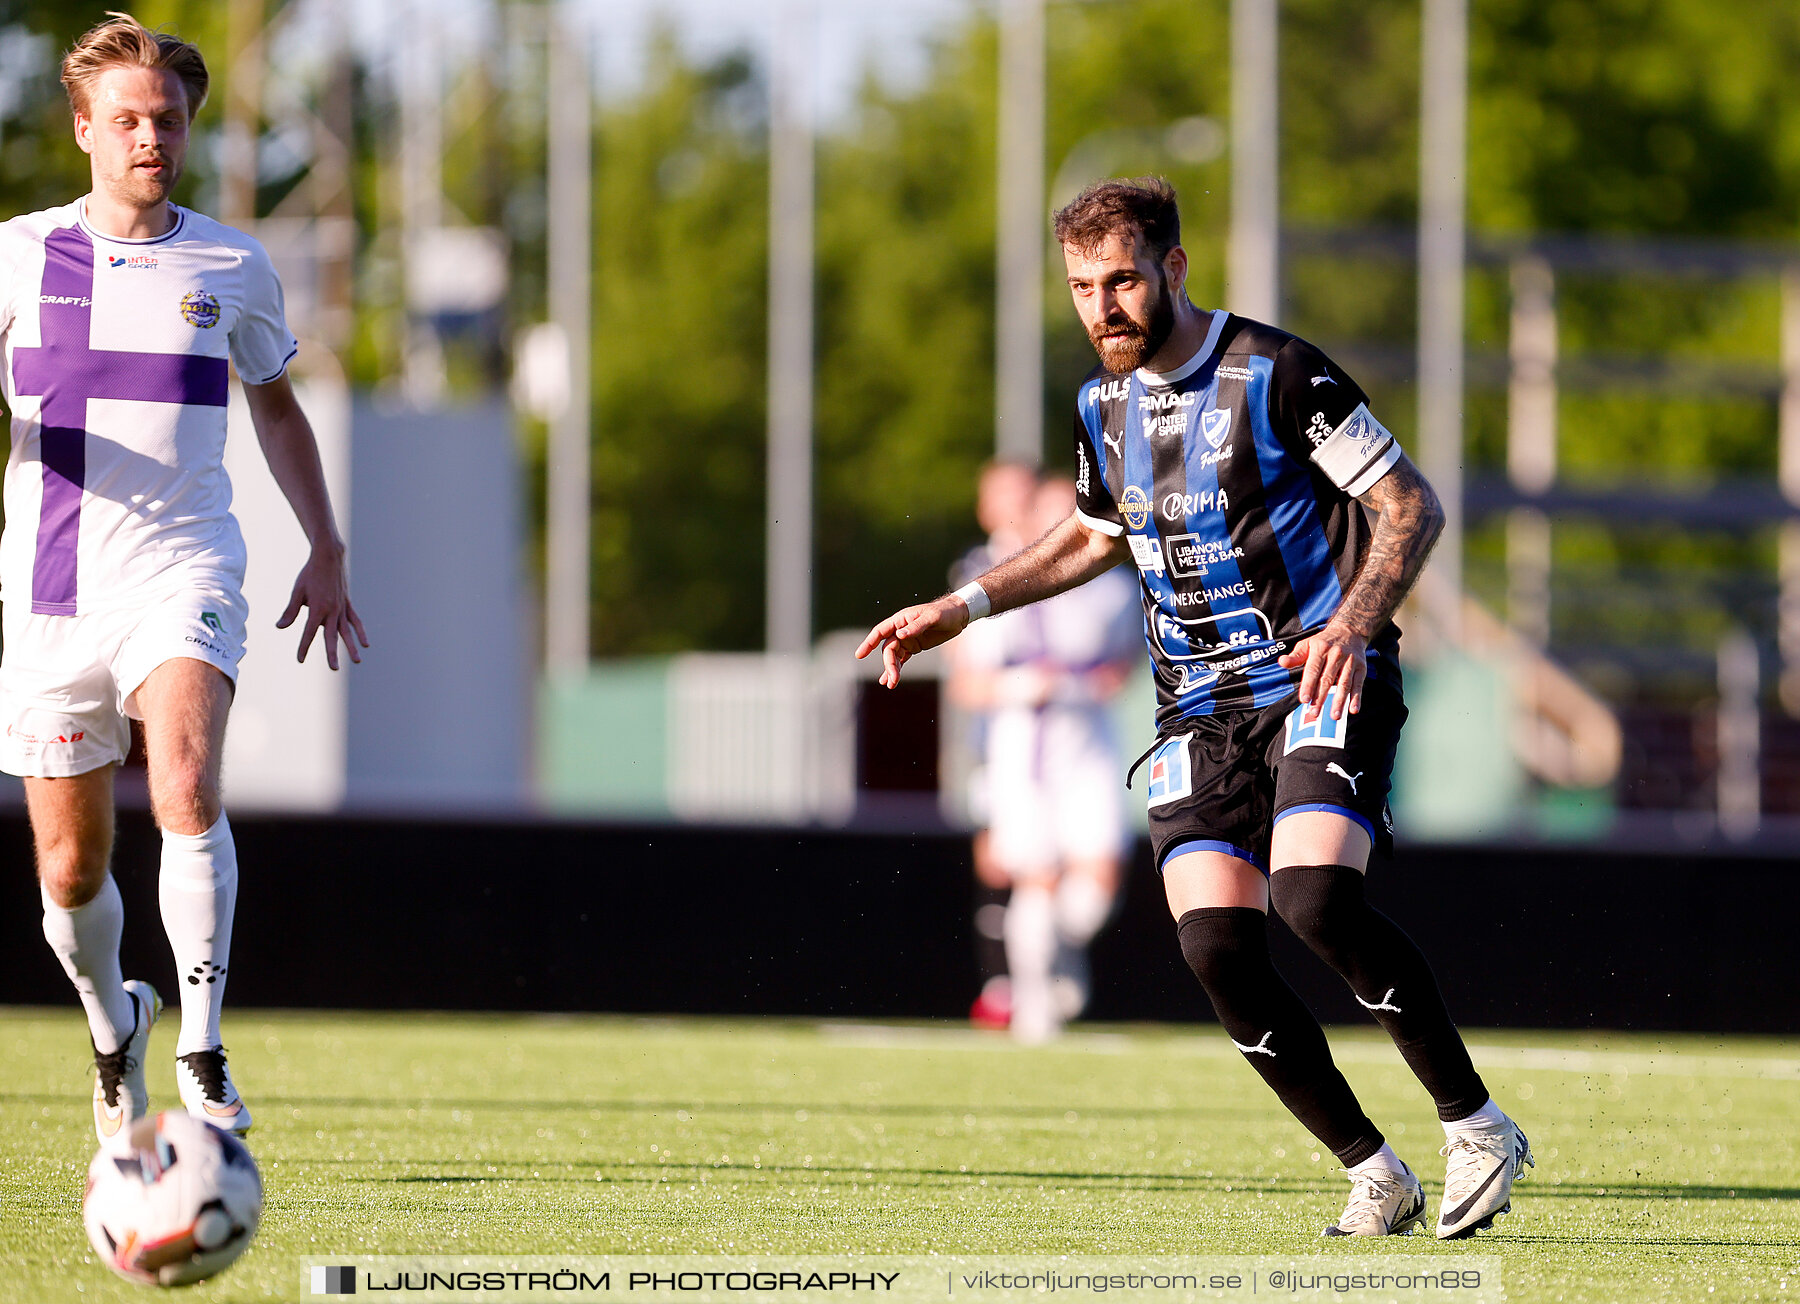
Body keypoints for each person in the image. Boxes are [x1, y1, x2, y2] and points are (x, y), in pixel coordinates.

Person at [858, 177, 1529, 1239]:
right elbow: (1090, 536)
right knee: (1215, 945)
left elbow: (1409, 502)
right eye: (1082, 285)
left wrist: (1354, 625)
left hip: (1319, 679)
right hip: (1196, 713)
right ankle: (1374, 1169)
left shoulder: (1277, 372)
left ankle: (1476, 1123)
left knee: (1312, 900)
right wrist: (964, 603)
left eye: (1122, 278)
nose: (1103, 305)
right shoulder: (1100, 406)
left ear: (1172, 268)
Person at [0, 14, 365, 1149]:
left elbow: (277, 405)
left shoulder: (232, 264)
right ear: (84, 130)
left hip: (184, 564)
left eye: (166, 118)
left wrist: (326, 542)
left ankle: (201, 1039)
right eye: (127, 120)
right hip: (52, 586)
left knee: (188, 775)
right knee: (68, 872)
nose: (149, 136)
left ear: (189, 127)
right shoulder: (17, 254)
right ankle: (119, 1029)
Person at [947, 475, 1138, 1042]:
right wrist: (1027, 685)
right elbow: (968, 684)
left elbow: (1122, 666)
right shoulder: (998, 584)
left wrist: (1089, 684)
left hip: (1088, 742)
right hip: (1021, 747)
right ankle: (1032, 1006)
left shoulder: (1116, 589)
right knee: (1034, 877)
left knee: (1098, 882)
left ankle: (1063, 950)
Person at [948, 460, 1039, 1029]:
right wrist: (1019, 686)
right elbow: (967, 678)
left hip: (1064, 745)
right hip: (1001, 741)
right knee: (1002, 861)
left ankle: (1046, 977)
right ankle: (1003, 984)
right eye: (1002, 495)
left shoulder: (1062, 569)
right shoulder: (973, 570)